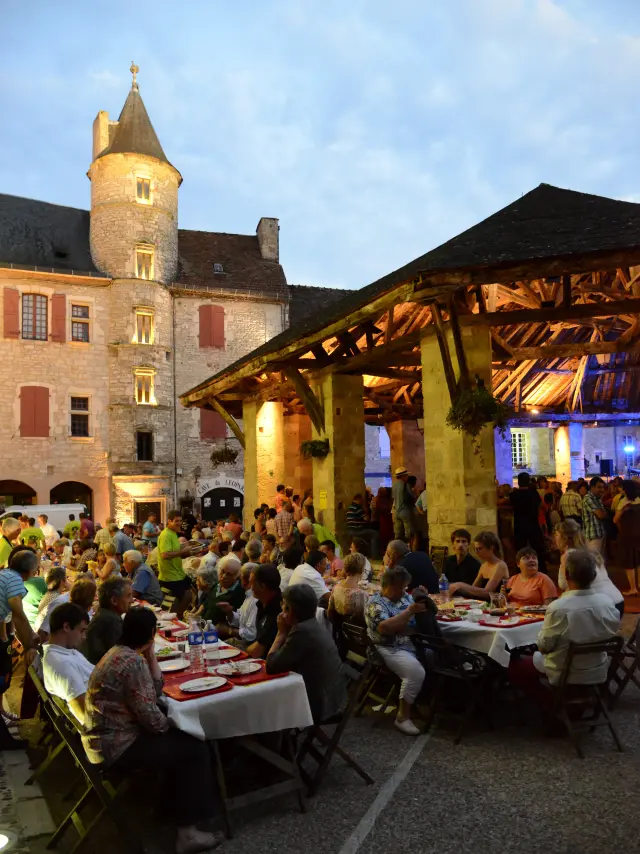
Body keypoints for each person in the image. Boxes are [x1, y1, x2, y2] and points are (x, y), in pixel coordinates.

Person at [83, 608, 221, 854]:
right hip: (117, 746)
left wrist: (151, 654)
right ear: (151, 633)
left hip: (103, 740)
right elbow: (153, 721)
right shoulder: (131, 662)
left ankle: (169, 810)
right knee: (194, 747)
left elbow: (154, 691)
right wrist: (177, 723)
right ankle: (188, 833)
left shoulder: (118, 653)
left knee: (180, 742)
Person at [533, 549, 621, 685]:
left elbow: (544, 647)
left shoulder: (558, 607)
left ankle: (546, 700)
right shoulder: (607, 602)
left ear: (567, 576)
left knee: (526, 661)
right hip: (598, 670)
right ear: (593, 575)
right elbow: (610, 633)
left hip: (565, 673)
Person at [266, 583, 346, 723]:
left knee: (266, 702)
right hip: (333, 697)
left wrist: (280, 634)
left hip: (320, 706)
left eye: (284, 607)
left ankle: (278, 741)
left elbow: (271, 666)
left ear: (290, 610)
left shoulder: (301, 632)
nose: (282, 612)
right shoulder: (312, 624)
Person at [365, 565, 429, 736]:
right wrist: (409, 611)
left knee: (442, 654)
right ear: (387, 586)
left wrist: (422, 598)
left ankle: (427, 703)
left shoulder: (404, 597)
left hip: (410, 643)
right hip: (386, 647)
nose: (403, 591)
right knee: (415, 672)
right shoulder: (375, 603)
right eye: (399, 588)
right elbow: (385, 628)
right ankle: (403, 717)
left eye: (404, 587)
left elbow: (417, 614)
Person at [555, 519, 623, 616]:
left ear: (564, 538)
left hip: (602, 608)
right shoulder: (592, 552)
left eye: (556, 535)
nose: (554, 538)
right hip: (617, 602)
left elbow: (567, 586)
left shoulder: (569, 555)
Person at [42, 602, 93, 723]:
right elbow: (86, 716)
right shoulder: (63, 664)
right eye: (82, 630)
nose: (84, 636)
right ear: (66, 627)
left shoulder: (63, 652)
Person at [83, 576, 133, 665]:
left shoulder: (104, 614)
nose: (132, 600)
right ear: (114, 600)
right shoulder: (111, 621)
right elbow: (123, 658)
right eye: (128, 596)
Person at [448, 531, 509, 600]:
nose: (476, 552)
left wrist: (460, 585)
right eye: (475, 549)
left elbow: (487, 592)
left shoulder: (500, 565)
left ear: (491, 548)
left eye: (479, 549)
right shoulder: (484, 566)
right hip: (483, 606)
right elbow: (473, 590)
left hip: (497, 606)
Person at [157, 510, 195, 617]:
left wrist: (186, 550)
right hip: (170, 577)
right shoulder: (166, 535)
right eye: (176, 521)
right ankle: (175, 619)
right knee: (174, 603)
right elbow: (165, 554)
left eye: (180, 521)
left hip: (178, 574)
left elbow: (174, 552)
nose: (179, 523)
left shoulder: (173, 534)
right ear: (169, 521)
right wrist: (183, 551)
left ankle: (177, 617)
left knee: (188, 595)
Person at [509, 473, 546, 571]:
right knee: (537, 547)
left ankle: (520, 568)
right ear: (528, 481)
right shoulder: (533, 493)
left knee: (520, 548)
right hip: (532, 523)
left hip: (519, 524)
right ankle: (540, 568)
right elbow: (541, 506)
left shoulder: (513, 495)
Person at [245, 564, 283, 658]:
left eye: (251, 583)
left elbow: (256, 651)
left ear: (262, 586)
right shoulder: (261, 604)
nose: (249, 587)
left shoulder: (279, 610)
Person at [216, 563, 258, 645]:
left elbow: (250, 635)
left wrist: (228, 631)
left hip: (247, 645)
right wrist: (229, 612)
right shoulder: (248, 595)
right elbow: (240, 619)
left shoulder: (254, 600)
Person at [613, 479, 640, 596]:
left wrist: (623, 511)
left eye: (621, 487)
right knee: (638, 560)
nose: (619, 489)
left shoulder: (623, 502)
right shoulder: (639, 500)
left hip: (627, 534)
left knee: (629, 562)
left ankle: (633, 587)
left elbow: (615, 520)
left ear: (625, 489)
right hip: (638, 533)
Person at [328, 553, 368, 625]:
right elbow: (367, 621)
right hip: (357, 633)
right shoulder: (362, 595)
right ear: (362, 569)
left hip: (340, 631)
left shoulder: (335, 588)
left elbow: (330, 613)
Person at [202, 555, 244, 623]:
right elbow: (206, 603)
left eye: (229, 574)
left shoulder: (239, 593)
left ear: (237, 576)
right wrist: (195, 614)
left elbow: (235, 619)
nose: (224, 576)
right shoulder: (217, 585)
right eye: (223, 571)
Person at [35, 566, 70, 633]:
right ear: (63, 581)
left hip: (39, 630)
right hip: (47, 634)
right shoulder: (59, 600)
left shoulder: (49, 594)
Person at [582, 476, 608, 555]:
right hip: (593, 536)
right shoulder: (588, 498)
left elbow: (602, 513)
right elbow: (601, 515)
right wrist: (605, 512)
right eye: (599, 487)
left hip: (600, 534)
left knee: (599, 562)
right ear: (592, 487)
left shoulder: (597, 499)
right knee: (594, 563)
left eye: (603, 487)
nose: (602, 490)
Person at [391, 467, 415, 542]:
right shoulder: (406, 485)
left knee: (397, 534)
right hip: (404, 510)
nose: (407, 477)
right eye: (406, 475)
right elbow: (412, 496)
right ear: (403, 476)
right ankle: (407, 549)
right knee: (409, 533)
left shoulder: (394, 485)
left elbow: (393, 497)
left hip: (396, 512)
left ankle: (397, 548)